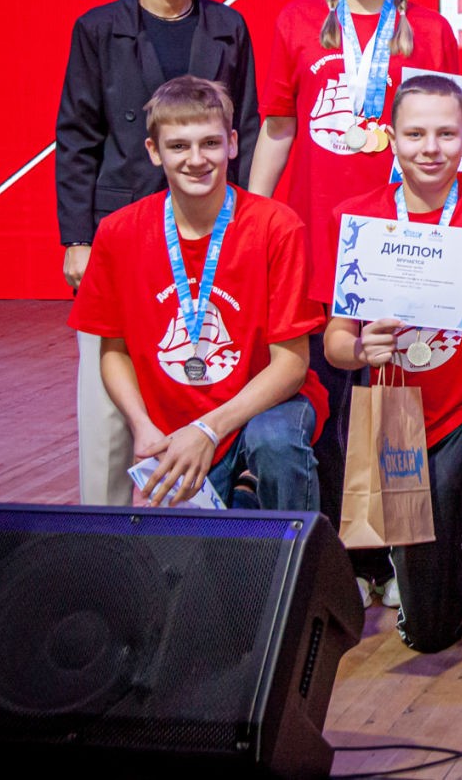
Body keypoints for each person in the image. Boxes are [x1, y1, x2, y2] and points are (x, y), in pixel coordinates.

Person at [249, 0, 462, 607]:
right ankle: (337, 558)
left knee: (392, 402)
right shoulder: (296, 23)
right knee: (326, 403)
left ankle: (395, 557)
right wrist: (251, 219)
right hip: (315, 240)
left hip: (399, 245)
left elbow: (454, 142)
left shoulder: (430, 31)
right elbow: (278, 127)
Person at [318, 75, 462, 699]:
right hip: (401, 419)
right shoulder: (359, 218)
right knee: (425, 632)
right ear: (391, 137)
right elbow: (336, 341)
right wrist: (358, 349)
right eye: (416, 134)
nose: (431, 148)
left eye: (447, 133)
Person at [57, 0, 262, 506]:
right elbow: (78, 136)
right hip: (122, 227)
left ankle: (201, 534)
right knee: (107, 401)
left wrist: (248, 221)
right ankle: (103, 534)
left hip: (210, 228)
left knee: (203, 369)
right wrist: (78, 238)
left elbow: (247, 131)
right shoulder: (98, 29)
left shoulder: (227, 26)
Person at [69, 75, 322, 515]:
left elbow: (291, 365)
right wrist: (142, 426)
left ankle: (299, 553)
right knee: (200, 557)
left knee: (275, 442)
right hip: (176, 425)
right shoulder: (118, 233)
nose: (196, 159)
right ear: (154, 151)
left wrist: (208, 429)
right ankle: (242, 500)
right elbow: (113, 351)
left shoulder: (276, 226)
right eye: (179, 146)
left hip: (263, 406)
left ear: (232, 144)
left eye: (210, 143)